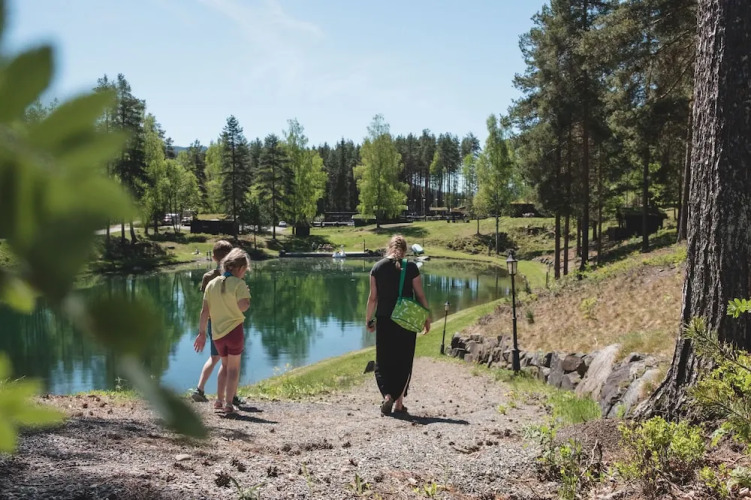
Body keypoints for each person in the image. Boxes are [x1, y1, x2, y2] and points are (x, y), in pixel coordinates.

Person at [366, 234, 431, 416]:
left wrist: (369, 320)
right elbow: (420, 295)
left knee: (383, 360)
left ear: (389, 247)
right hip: (406, 320)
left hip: (384, 319)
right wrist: (426, 317)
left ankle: (387, 395)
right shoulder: (411, 267)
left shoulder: (377, 268)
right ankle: (399, 404)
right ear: (405, 249)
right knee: (404, 361)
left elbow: (373, 298)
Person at [194, 248, 251, 415]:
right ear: (241, 268)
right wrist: (245, 297)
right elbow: (244, 306)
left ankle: (218, 400)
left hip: (217, 334)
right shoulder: (239, 284)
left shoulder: (211, 284)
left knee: (224, 366)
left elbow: (204, 311)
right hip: (234, 332)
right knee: (233, 368)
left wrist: (202, 333)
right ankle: (228, 403)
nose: (244, 274)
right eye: (245, 271)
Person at [190, 240, 236, 404]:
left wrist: (201, 332)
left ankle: (200, 389)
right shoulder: (235, 278)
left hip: (213, 323)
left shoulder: (208, 277)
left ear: (214, 258)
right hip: (231, 322)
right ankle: (231, 396)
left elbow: (205, 307)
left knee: (215, 357)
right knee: (232, 359)